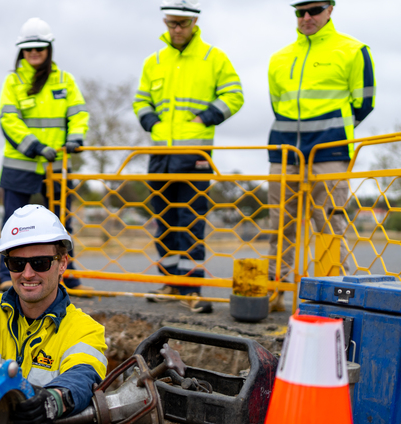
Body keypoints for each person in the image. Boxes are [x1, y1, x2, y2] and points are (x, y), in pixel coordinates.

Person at [0, 204, 108, 424]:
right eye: (17, 264)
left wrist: (51, 402)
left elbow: (82, 376)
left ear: (62, 264)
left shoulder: (86, 330)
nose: (27, 274)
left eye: (40, 263)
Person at [133, 0, 244, 313]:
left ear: (194, 22)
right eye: (171, 23)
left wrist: (206, 117)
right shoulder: (154, 60)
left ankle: (191, 287)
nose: (176, 29)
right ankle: (170, 282)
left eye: (181, 23)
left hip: (194, 153)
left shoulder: (214, 58)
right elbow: (141, 99)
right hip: (160, 154)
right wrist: (150, 122)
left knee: (191, 222)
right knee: (164, 222)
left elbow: (234, 95)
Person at [267, 0, 375, 312]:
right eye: (300, 12)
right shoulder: (279, 57)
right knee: (279, 224)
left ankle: (336, 297)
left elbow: (364, 103)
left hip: (330, 150)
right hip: (285, 151)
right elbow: (278, 104)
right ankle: (276, 290)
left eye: (314, 10)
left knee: (328, 222)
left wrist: (334, 134)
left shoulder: (354, 50)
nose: (306, 17)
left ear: (330, 9)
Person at [0, 17, 91, 294]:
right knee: (13, 223)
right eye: (29, 49)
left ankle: (66, 274)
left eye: (39, 48)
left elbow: (78, 113)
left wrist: (76, 137)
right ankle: (7, 273)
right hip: (20, 164)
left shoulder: (65, 80)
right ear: (21, 51)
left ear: (49, 48)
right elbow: (8, 119)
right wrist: (35, 147)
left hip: (58, 165)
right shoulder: (13, 81)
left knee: (62, 222)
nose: (34, 53)